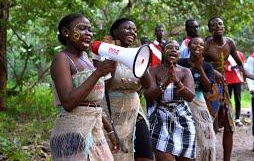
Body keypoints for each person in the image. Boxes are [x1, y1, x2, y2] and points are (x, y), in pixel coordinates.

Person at [49, 13, 118, 160]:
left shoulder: (86, 58)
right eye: (82, 29)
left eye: (90, 29)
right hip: (72, 130)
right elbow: (68, 102)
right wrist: (98, 72)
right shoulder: (62, 59)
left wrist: (110, 131)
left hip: (95, 128)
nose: (88, 33)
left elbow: (94, 103)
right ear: (66, 32)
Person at [93, 18, 153, 161]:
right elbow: (103, 84)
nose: (132, 32)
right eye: (127, 28)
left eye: (134, 30)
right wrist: (112, 55)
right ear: (115, 32)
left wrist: (141, 62)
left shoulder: (136, 53)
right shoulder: (103, 51)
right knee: (116, 152)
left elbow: (148, 84)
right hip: (111, 109)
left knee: (145, 152)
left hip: (134, 109)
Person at [204, 16, 254, 161]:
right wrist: (213, 71)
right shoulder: (206, 44)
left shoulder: (229, 42)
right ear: (210, 29)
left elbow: (239, 62)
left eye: (220, 24)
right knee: (209, 126)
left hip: (223, 88)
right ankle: (208, 157)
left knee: (229, 126)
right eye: (214, 25)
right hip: (209, 89)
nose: (218, 26)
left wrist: (245, 73)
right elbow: (197, 62)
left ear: (224, 26)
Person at [145, 40, 196, 160]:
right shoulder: (153, 70)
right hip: (160, 118)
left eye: (177, 48)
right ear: (163, 51)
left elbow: (190, 97)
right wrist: (166, 81)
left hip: (182, 118)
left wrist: (176, 81)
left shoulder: (185, 71)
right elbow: (148, 96)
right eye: (170, 47)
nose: (174, 50)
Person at [178, 37, 216, 161]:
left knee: (207, 135)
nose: (198, 46)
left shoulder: (208, 66)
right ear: (189, 46)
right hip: (181, 101)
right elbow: (178, 80)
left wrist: (200, 67)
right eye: (195, 43)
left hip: (199, 102)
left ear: (204, 49)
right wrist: (194, 67)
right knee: (185, 137)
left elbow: (207, 88)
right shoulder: (180, 62)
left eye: (201, 44)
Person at [225, 50, 246, 127]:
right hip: (227, 80)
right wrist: (231, 67)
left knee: (238, 100)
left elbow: (243, 65)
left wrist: (244, 78)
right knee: (227, 100)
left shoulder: (239, 54)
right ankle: (227, 118)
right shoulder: (225, 53)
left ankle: (237, 119)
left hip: (238, 80)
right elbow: (223, 66)